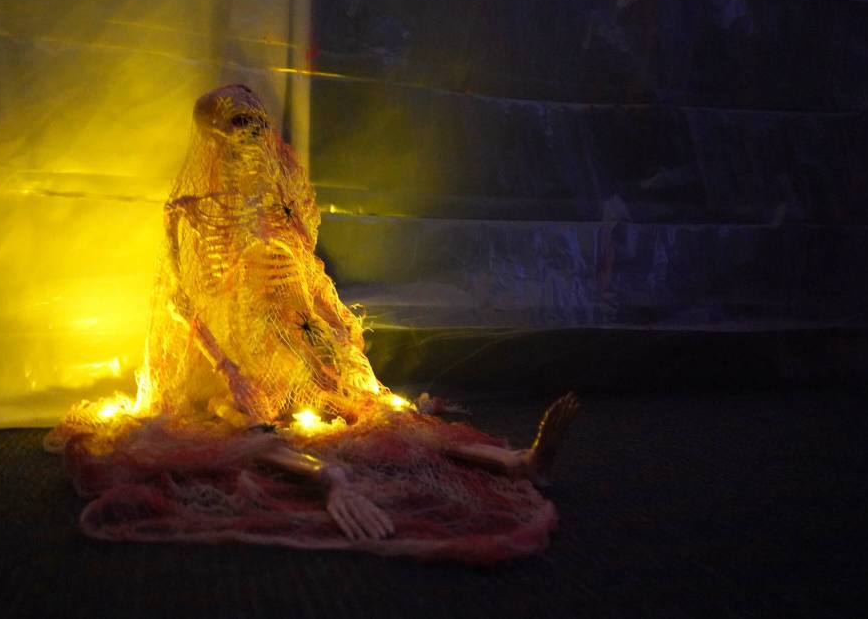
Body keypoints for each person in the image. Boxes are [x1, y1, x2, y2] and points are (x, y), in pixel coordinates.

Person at [46, 85, 579, 561]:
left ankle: (511, 462)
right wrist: (229, 366)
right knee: (249, 425)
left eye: (256, 124)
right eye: (237, 125)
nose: (251, 138)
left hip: (298, 334)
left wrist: (334, 325)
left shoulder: (282, 203)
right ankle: (328, 475)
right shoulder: (187, 211)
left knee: (375, 407)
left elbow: (311, 273)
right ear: (212, 136)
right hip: (236, 353)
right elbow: (183, 303)